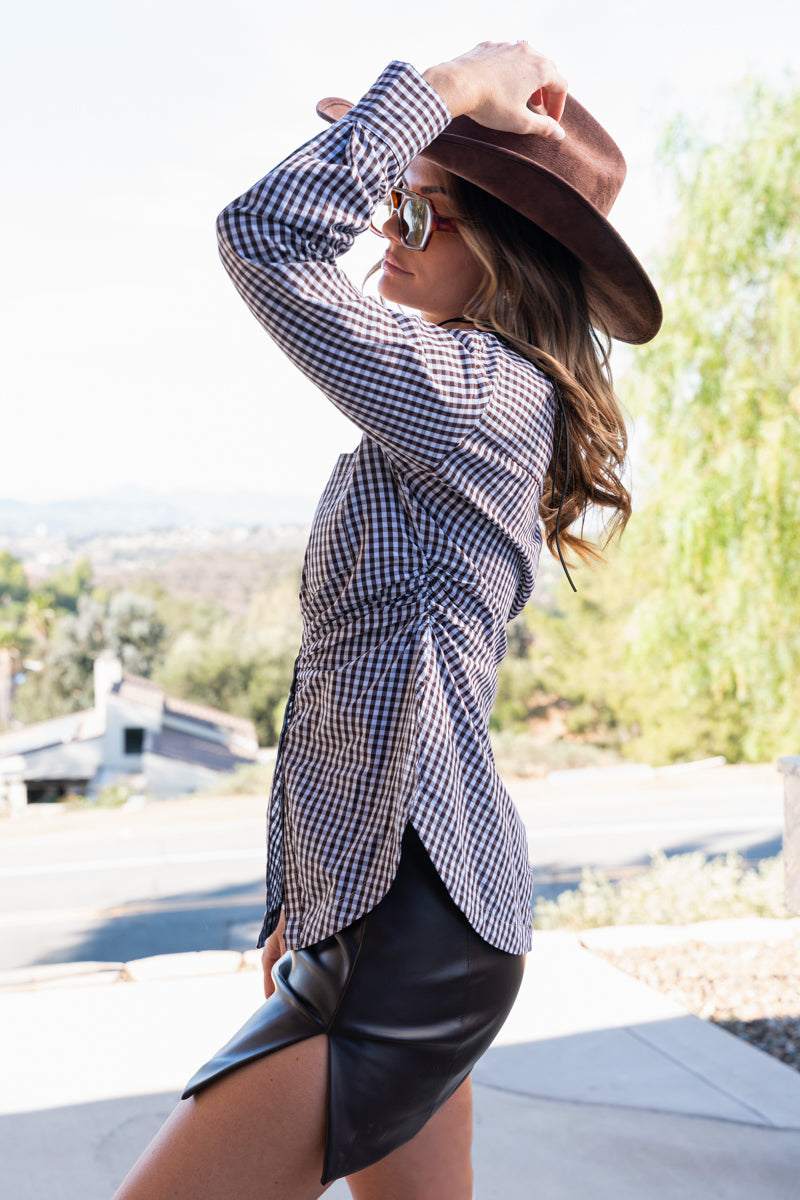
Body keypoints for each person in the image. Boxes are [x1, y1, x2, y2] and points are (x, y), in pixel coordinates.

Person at [113, 41, 661, 1200]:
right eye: (394, 205)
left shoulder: (484, 398)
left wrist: (454, 82)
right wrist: (301, 907)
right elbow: (362, 682)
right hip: (400, 912)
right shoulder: (459, 409)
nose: (385, 236)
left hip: (415, 926)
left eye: (421, 213)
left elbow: (263, 233)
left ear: (512, 256)